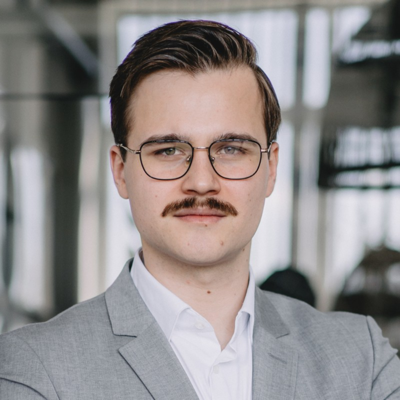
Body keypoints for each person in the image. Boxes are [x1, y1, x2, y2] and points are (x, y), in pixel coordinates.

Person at [0, 20, 399, 400]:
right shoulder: (35, 367)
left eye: (231, 149)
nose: (202, 182)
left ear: (271, 168)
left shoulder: (360, 356)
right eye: (168, 150)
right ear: (121, 171)